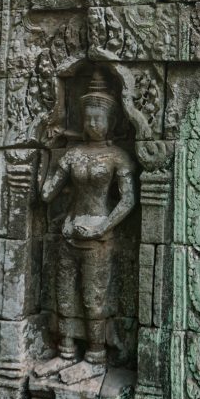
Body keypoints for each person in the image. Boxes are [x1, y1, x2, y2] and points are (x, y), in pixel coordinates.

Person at [41, 70, 135, 364]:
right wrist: (45, 155)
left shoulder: (118, 156)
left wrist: (103, 228)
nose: (93, 124)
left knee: (94, 296)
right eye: (88, 118)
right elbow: (46, 194)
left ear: (112, 121)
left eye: (99, 118)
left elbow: (128, 199)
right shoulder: (72, 155)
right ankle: (66, 347)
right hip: (70, 232)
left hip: (100, 235)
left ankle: (96, 351)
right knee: (64, 294)